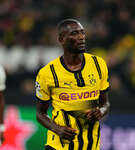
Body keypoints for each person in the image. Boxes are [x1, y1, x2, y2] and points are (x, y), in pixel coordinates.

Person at [35, 19, 110, 150]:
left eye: (82, 33)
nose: (81, 37)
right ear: (61, 39)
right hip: (59, 146)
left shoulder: (99, 65)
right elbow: (40, 113)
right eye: (74, 33)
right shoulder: (48, 73)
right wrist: (56, 129)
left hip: (90, 145)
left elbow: (105, 104)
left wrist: (101, 112)